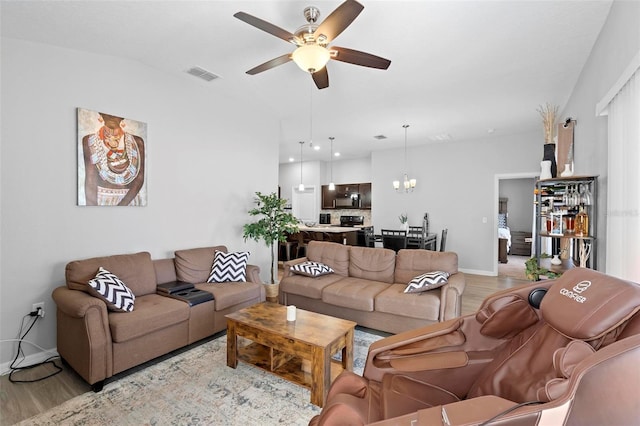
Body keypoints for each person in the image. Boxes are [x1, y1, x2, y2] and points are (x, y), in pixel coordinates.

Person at [81, 112, 146, 206]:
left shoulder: (136, 142)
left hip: (130, 202)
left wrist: (121, 206)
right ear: (101, 115)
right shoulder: (90, 141)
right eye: (108, 114)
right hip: (102, 202)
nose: (111, 116)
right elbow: (90, 181)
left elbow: (139, 180)